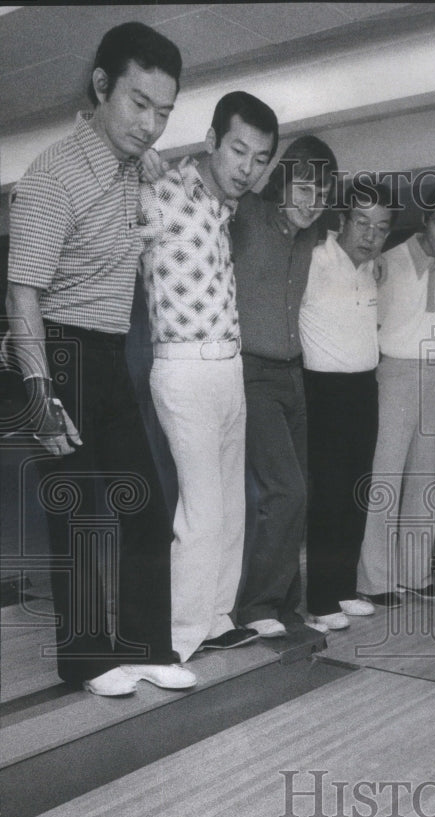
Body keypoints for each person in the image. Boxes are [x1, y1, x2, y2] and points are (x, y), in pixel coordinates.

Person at [6, 22, 195, 697]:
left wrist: (152, 162)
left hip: (109, 351)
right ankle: (86, 661)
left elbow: (149, 167)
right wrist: (38, 393)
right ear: (100, 86)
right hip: (55, 350)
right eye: (139, 103)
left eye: (163, 111)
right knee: (81, 513)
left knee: (147, 507)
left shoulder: (130, 165)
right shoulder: (51, 175)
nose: (150, 124)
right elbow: (21, 293)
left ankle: (146, 648)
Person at [139, 92, 279, 662]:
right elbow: (98, 209)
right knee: (200, 510)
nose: (248, 168)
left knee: (228, 506)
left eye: (260, 158)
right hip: (183, 367)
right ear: (211, 141)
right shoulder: (161, 191)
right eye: (238, 151)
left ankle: (217, 619)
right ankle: (177, 638)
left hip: (228, 366)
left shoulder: (227, 208)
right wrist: (131, 164)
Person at [231, 135, 338, 638]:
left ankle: (285, 603)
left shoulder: (311, 232)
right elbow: (203, 188)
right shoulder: (246, 212)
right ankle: (256, 606)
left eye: (322, 194)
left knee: (301, 490)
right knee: (285, 490)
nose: (311, 203)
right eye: (303, 189)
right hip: (250, 371)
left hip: (294, 374)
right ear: (281, 183)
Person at [356, 184, 435, 605]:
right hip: (394, 372)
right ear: (425, 221)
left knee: (424, 479)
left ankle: (415, 575)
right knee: (384, 477)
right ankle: (375, 581)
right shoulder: (388, 263)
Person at [300, 181, 395, 631]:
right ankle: (320, 600)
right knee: (329, 495)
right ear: (342, 221)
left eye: (381, 227)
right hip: (323, 389)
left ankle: (342, 588)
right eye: (362, 222)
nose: (370, 235)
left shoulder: (373, 268)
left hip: (363, 388)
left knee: (356, 491)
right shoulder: (314, 258)